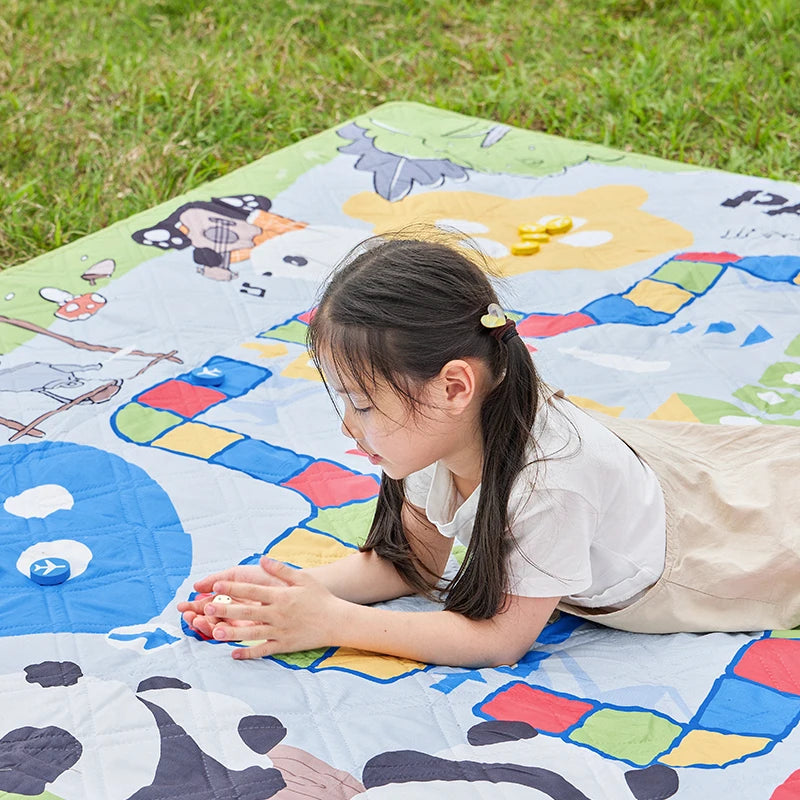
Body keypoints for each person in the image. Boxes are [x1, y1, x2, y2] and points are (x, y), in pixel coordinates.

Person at [178, 234, 800, 668]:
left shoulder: (551, 483)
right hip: (651, 480)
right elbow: (413, 565)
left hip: (711, 555)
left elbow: (501, 638)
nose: (348, 426)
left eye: (363, 404)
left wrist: (331, 623)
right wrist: (284, 598)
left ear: (454, 386)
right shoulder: (437, 435)